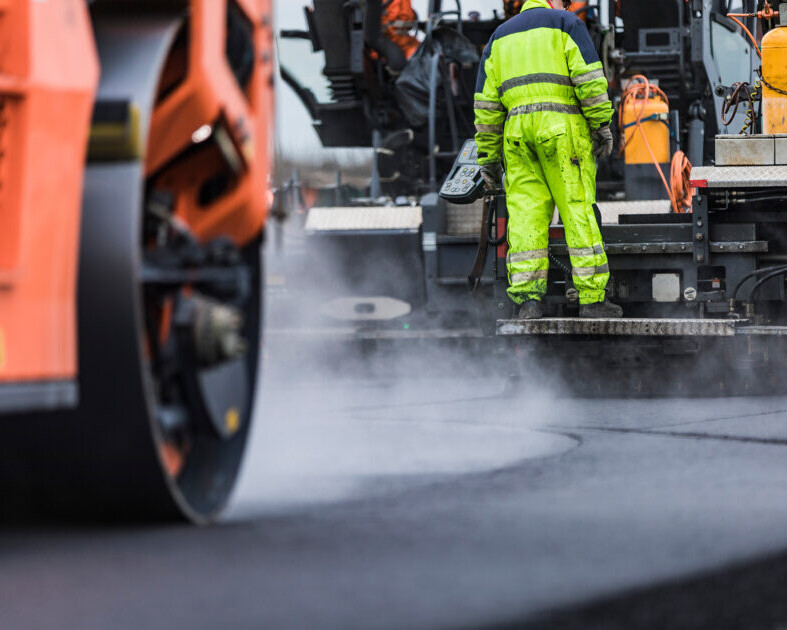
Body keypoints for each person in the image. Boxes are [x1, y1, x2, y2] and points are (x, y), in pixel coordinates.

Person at [475, 0, 622, 319]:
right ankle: (592, 300)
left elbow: (486, 107)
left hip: (516, 135)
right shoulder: (567, 23)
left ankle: (528, 303)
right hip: (562, 130)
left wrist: (487, 158)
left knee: (526, 214)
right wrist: (601, 126)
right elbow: (590, 81)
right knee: (577, 209)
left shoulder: (499, 37)